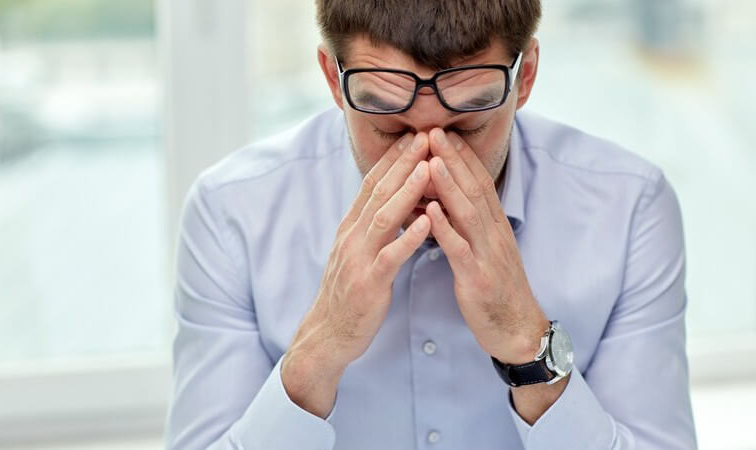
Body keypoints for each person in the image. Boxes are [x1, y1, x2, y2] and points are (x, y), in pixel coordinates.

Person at [164, 1, 697, 449]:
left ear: (526, 76)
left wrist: (527, 343)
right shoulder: (231, 212)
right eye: (388, 126)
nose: (427, 163)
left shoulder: (629, 208)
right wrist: (322, 346)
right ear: (333, 77)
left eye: (466, 126)